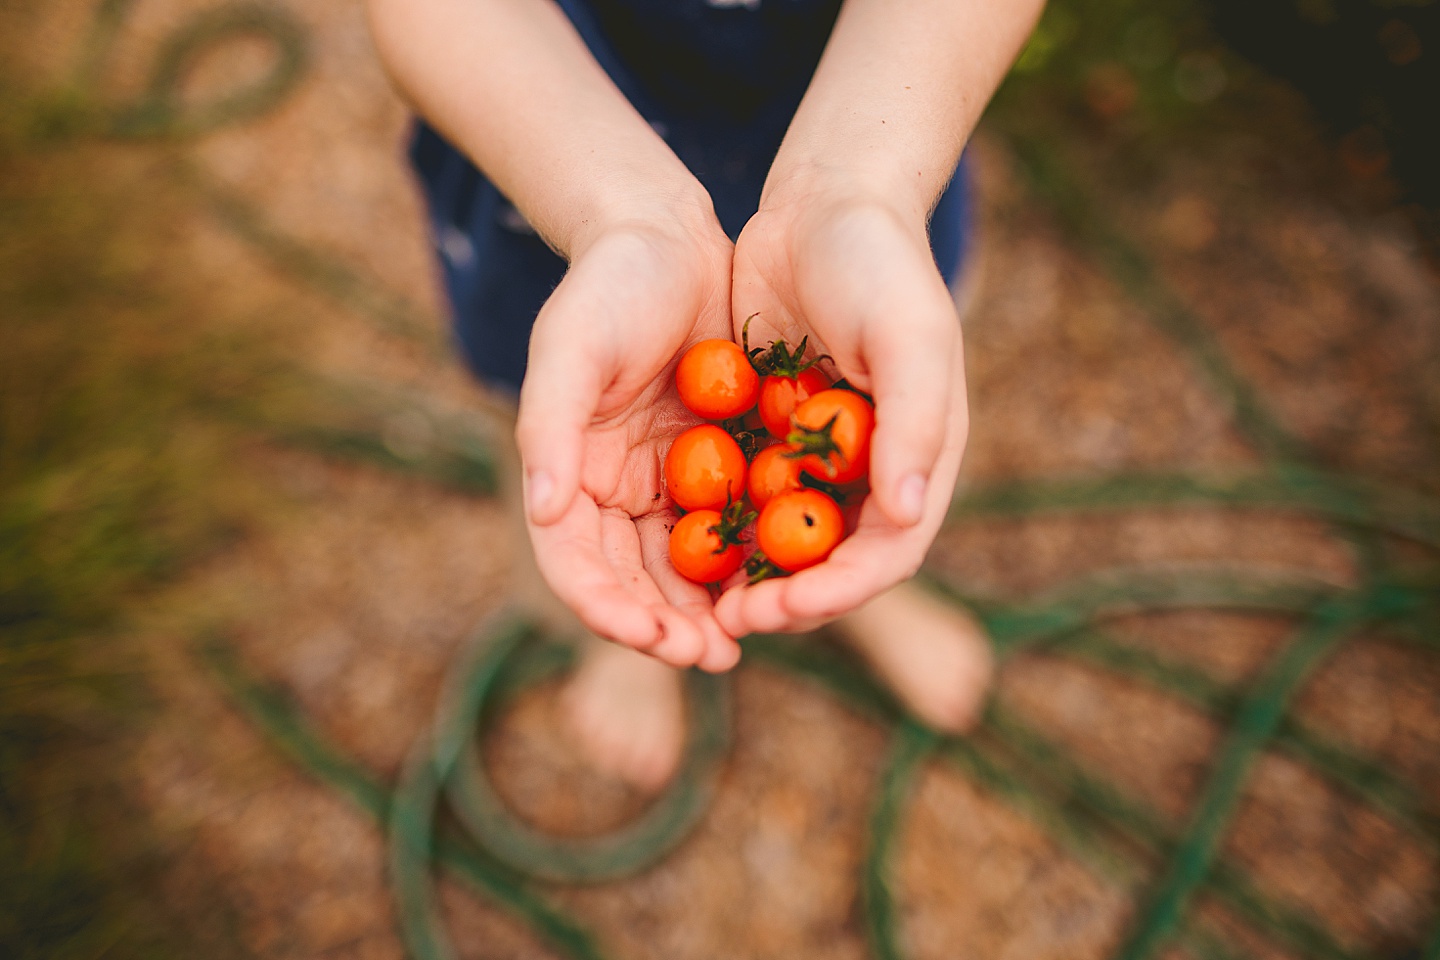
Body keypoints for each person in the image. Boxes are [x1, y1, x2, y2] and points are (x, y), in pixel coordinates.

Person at [368, 0, 1044, 788]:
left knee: (884, 415)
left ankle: (861, 584)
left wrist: (861, 188)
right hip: (551, 173)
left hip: (880, 132)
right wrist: (623, 217)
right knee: (569, 446)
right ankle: (626, 643)